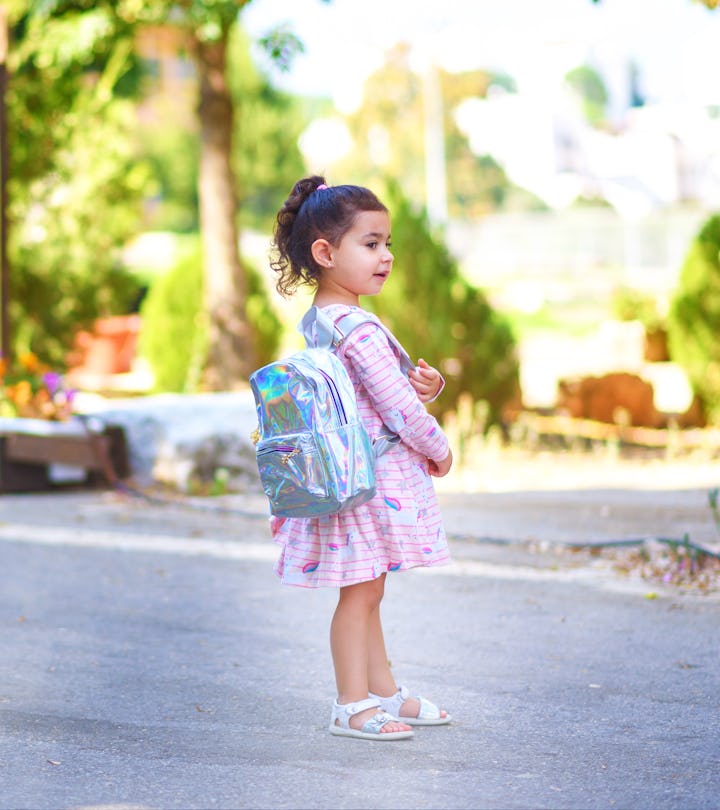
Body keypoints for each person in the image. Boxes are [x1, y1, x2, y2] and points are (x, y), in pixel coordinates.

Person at [268, 175, 454, 741]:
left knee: (370, 585)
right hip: (367, 479)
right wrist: (440, 449)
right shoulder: (356, 326)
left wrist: (426, 386)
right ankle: (351, 703)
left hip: (351, 474)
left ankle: (384, 691)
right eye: (370, 244)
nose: (387, 256)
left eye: (387, 242)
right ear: (325, 253)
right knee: (361, 591)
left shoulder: (323, 319)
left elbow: (371, 392)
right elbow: (397, 408)